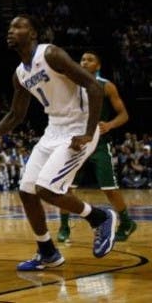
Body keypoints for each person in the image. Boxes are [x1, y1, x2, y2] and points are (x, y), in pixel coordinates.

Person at [0, 16, 117, 271]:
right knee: (27, 191)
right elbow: (16, 115)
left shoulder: (51, 54)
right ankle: (47, 252)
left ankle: (100, 218)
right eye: (10, 27)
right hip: (53, 129)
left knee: (47, 189)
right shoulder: (20, 74)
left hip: (78, 129)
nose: (11, 31)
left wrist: (89, 133)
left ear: (33, 33)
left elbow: (93, 86)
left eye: (18, 27)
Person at [57, 51, 138, 243]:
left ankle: (126, 222)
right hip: (75, 144)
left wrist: (110, 125)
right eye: (82, 59)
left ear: (98, 66)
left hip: (99, 144)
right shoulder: (72, 85)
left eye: (90, 59)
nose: (84, 62)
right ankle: (63, 226)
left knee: (109, 188)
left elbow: (124, 115)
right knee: (65, 188)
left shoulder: (106, 86)